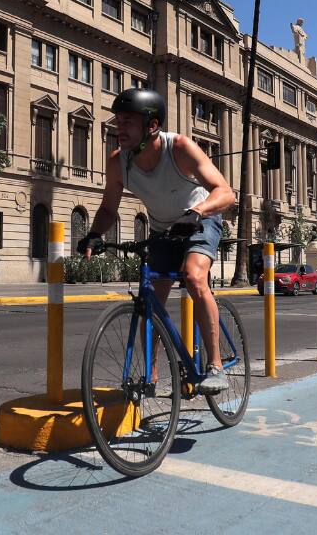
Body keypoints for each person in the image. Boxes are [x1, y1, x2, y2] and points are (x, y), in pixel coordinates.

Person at [78, 88, 237, 395]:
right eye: (118, 121)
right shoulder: (118, 162)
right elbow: (109, 208)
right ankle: (150, 377)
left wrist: (198, 210)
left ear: (151, 126)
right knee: (150, 300)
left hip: (201, 220)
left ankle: (215, 366)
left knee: (193, 276)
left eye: (128, 122)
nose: (118, 127)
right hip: (163, 229)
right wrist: (95, 235)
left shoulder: (178, 147)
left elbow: (225, 192)